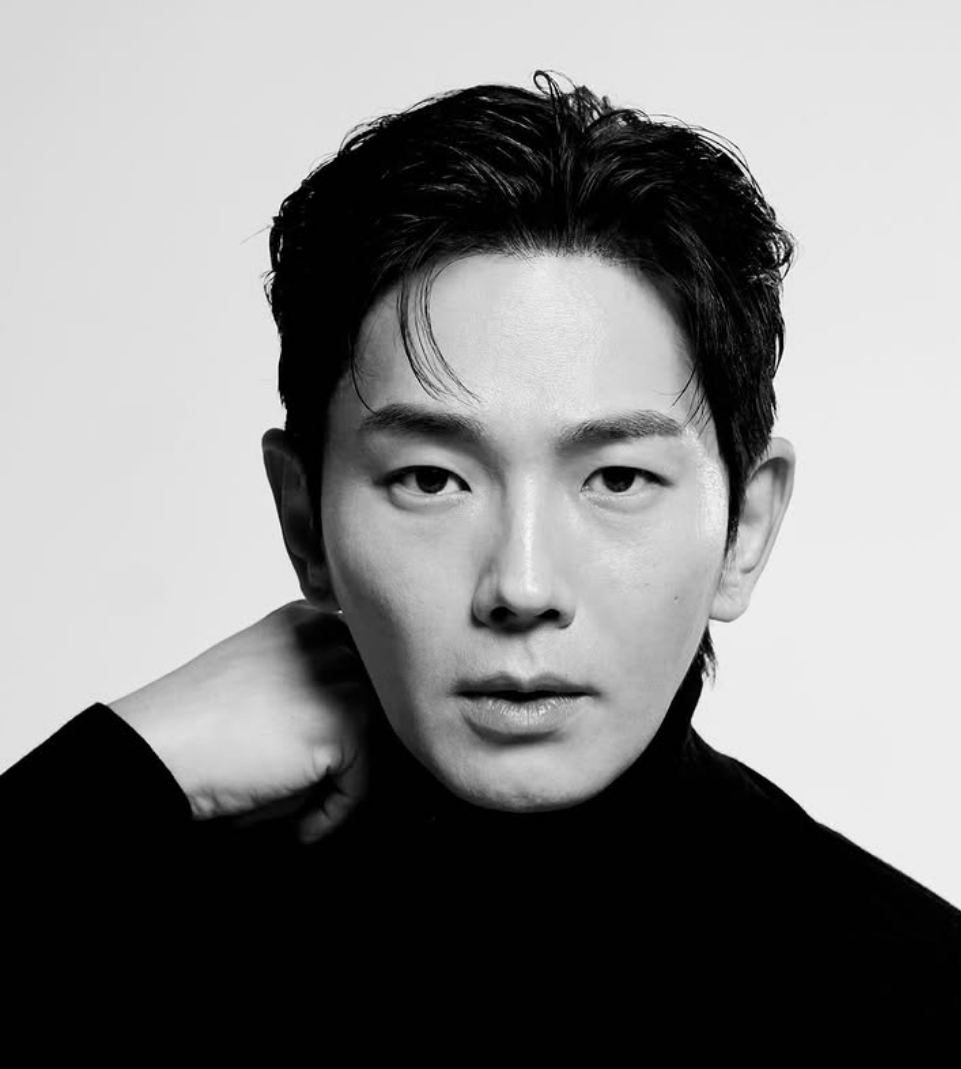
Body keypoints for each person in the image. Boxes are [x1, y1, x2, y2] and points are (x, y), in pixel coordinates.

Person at [4, 71, 959, 1033]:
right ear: (303, 519)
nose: (521, 585)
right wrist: (118, 774)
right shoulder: (97, 925)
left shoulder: (916, 993)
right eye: (431, 479)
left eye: (617, 478)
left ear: (743, 530)